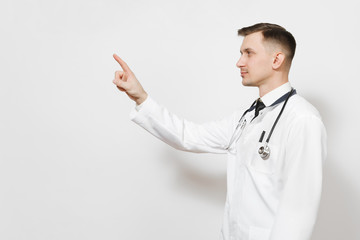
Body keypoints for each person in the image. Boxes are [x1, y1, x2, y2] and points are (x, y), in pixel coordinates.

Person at [112, 23, 327, 240]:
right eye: (241, 53)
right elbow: (189, 136)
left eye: (249, 53)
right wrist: (141, 97)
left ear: (276, 60)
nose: (239, 62)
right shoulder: (247, 117)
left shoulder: (302, 119)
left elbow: (298, 211)